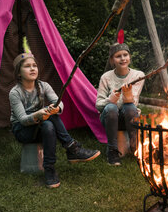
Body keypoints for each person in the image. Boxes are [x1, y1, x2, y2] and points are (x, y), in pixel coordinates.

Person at [9, 53, 101, 188]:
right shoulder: (15, 92)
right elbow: (22, 120)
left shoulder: (43, 86)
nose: (33, 69)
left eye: (34, 65)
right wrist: (39, 114)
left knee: (48, 124)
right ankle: (72, 148)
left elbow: (59, 103)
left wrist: (55, 109)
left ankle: (49, 169)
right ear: (18, 73)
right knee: (47, 115)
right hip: (23, 130)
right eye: (27, 66)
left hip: (41, 126)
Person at [96, 42, 145, 166]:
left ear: (129, 57)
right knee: (111, 108)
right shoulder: (106, 77)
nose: (123, 59)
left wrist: (126, 96)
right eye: (118, 56)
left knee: (129, 107)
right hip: (109, 118)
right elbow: (98, 104)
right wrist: (110, 100)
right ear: (112, 60)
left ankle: (136, 146)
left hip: (130, 116)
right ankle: (112, 151)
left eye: (125, 55)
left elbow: (132, 101)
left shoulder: (138, 75)